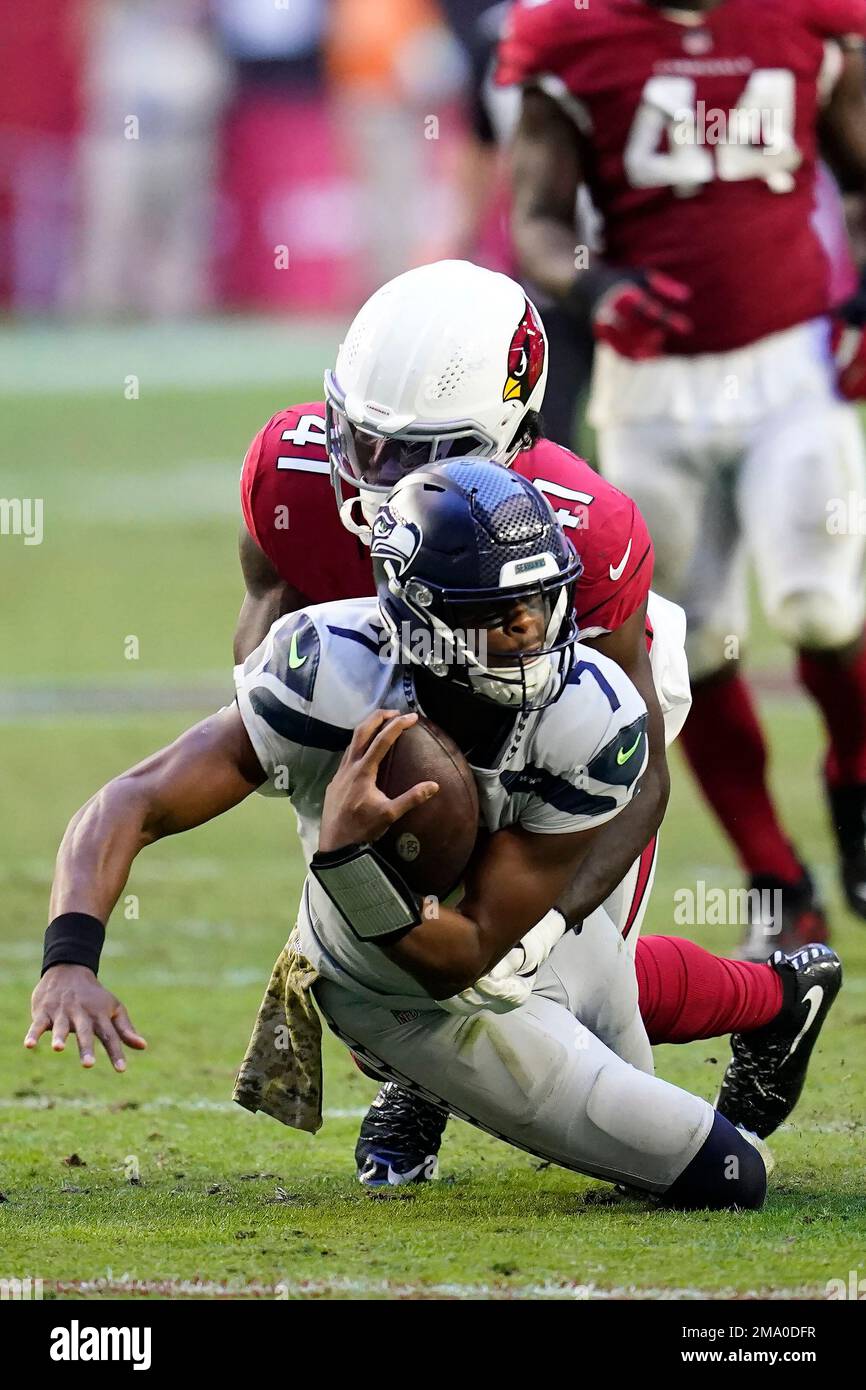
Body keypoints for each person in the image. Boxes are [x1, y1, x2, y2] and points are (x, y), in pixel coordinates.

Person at [233, 258, 840, 1187]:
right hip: (403, 705)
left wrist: (534, 930)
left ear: (509, 440)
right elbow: (264, 642)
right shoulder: (296, 470)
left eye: (420, 453)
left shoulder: (580, 535)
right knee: (392, 926)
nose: (376, 477)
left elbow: (637, 776)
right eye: (363, 440)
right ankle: (420, 1072)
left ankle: (776, 996)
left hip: (573, 715)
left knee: (546, 975)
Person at [26, 462, 772, 1210]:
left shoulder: (590, 711)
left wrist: (351, 859)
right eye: (501, 607)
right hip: (394, 995)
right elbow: (137, 799)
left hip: (506, 936)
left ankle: (779, 994)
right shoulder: (330, 668)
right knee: (728, 1174)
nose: (531, 625)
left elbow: (474, 947)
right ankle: (424, 1086)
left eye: (543, 599)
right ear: (421, 616)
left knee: (713, 1164)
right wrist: (69, 960)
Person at [499, 0, 866, 958]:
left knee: (821, 609)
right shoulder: (571, 35)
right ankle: (776, 877)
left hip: (790, 365)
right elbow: (537, 220)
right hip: (652, 387)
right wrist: (595, 284)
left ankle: (857, 776)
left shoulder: (802, 21)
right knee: (688, 645)